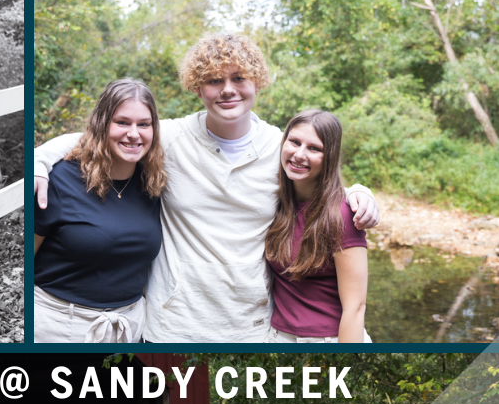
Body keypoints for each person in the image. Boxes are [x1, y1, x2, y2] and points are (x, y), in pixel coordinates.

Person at [33, 33, 381, 343]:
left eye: (239, 78)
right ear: (198, 88)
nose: (227, 89)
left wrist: (358, 192)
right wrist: (38, 162)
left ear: (257, 83)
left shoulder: (280, 147)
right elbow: (96, 139)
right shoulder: (168, 139)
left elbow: (319, 180)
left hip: (253, 328)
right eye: (214, 80)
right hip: (171, 326)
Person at [33, 79, 165, 343]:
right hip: (59, 326)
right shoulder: (60, 180)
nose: (134, 133)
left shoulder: (154, 182)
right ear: (102, 123)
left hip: (128, 326)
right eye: (122, 122)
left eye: (144, 124)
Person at [264, 110, 369, 343]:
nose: (299, 154)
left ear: (329, 156)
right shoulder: (277, 202)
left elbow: (356, 307)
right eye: (294, 142)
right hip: (278, 338)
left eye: (314, 148)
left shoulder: (342, 215)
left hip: (328, 341)